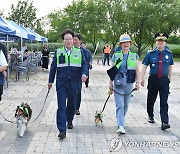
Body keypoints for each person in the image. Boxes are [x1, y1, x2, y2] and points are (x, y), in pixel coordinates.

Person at [48, 29, 88, 140]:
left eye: (70, 39)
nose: (69, 41)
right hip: (62, 83)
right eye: (66, 39)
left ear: (73, 40)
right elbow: (53, 67)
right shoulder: (58, 51)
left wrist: (84, 74)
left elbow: (84, 65)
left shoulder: (79, 52)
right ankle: (62, 130)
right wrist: (50, 81)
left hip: (74, 83)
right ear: (63, 41)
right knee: (61, 106)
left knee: (72, 105)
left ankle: (69, 120)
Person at [141, 33, 174, 130]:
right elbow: (144, 66)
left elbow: (170, 66)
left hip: (164, 80)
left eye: (162, 41)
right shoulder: (150, 54)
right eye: (158, 41)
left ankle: (165, 121)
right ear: (156, 42)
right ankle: (150, 115)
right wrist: (141, 78)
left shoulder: (168, 54)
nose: (160, 42)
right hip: (153, 79)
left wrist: (169, 79)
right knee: (151, 99)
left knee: (164, 101)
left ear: (165, 42)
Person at [109, 34, 140, 134]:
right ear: (121, 44)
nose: (125, 44)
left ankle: (120, 117)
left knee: (126, 105)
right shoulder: (116, 55)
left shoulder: (134, 56)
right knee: (120, 105)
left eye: (127, 42)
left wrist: (138, 82)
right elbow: (112, 71)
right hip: (118, 83)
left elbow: (138, 70)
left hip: (129, 83)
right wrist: (110, 83)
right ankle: (120, 125)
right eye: (123, 42)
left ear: (130, 44)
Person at [73, 34, 90, 115]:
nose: (74, 41)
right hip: (70, 75)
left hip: (79, 76)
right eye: (73, 39)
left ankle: (76, 108)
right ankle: (71, 107)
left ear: (80, 41)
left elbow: (85, 64)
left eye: (76, 40)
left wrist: (85, 73)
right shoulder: (69, 50)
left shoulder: (85, 52)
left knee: (77, 92)